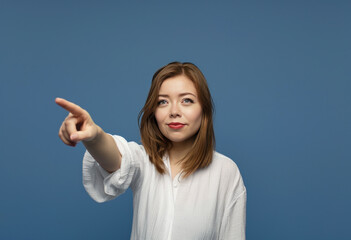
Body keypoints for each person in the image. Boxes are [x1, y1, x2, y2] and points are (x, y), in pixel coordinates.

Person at [56, 62, 246, 239]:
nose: (174, 111)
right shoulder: (143, 161)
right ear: (153, 112)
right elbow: (118, 158)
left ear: (203, 109)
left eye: (186, 100)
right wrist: (95, 136)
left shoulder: (226, 172)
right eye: (163, 102)